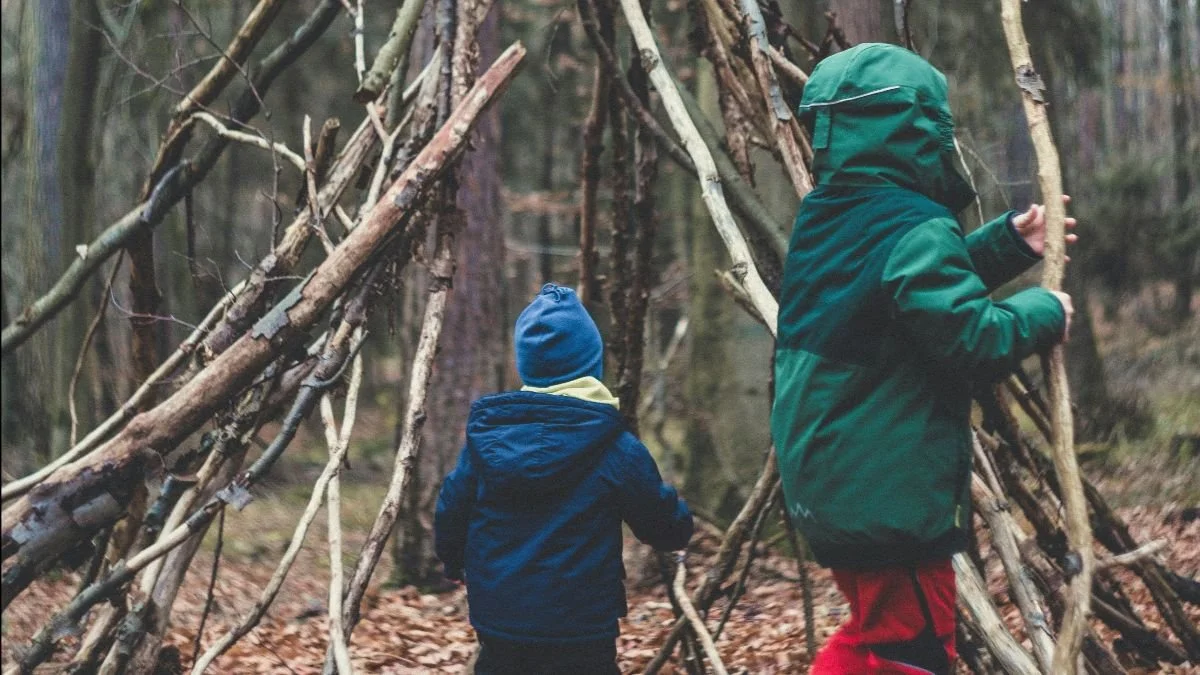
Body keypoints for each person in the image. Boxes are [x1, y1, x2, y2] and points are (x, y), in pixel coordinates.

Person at [771, 43, 1076, 675]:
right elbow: (973, 339)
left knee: (882, 636)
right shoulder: (912, 225)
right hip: (882, 490)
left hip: (835, 483)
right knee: (910, 646)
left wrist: (1005, 245)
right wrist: (1045, 313)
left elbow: (904, 295)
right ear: (916, 129)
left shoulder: (827, 219)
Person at [435, 283, 694, 675]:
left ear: (526, 364)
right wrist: (678, 525)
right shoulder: (614, 446)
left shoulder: (488, 440)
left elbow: (452, 507)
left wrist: (453, 562)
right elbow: (660, 522)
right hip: (582, 625)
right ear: (591, 363)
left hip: (501, 618)